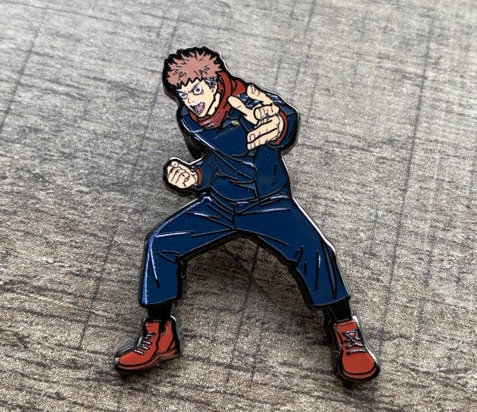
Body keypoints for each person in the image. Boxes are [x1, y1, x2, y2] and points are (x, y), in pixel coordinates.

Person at [115, 47, 380, 384]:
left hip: (268, 203)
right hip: (220, 205)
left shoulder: (248, 102)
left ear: (216, 82)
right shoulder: (188, 118)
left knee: (315, 251)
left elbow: (280, 117)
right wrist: (193, 176)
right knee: (160, 243)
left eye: (197, 90)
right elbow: (217, 161)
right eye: (183, 94)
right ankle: (159, 333)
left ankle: (345, 328)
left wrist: (279, 124)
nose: (192, 101)